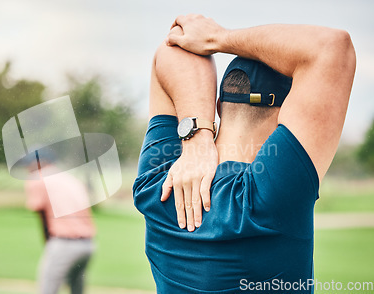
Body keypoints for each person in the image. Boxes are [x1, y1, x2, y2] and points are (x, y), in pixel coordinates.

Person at [133, 15, 355, 293]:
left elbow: (173, 46)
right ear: (286, 115)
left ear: (217, 105)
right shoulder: (273, 196)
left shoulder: (158, 186)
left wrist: (197, 137)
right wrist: (218, 39)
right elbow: (334, 46)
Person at [25, 156, 96, 294]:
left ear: (38, 164)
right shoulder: (70, 179)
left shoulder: (37, 179)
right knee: (77, 289)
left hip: (64, 242)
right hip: (88, 245)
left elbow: (41, 212)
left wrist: (48, 242)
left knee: (48, 289)